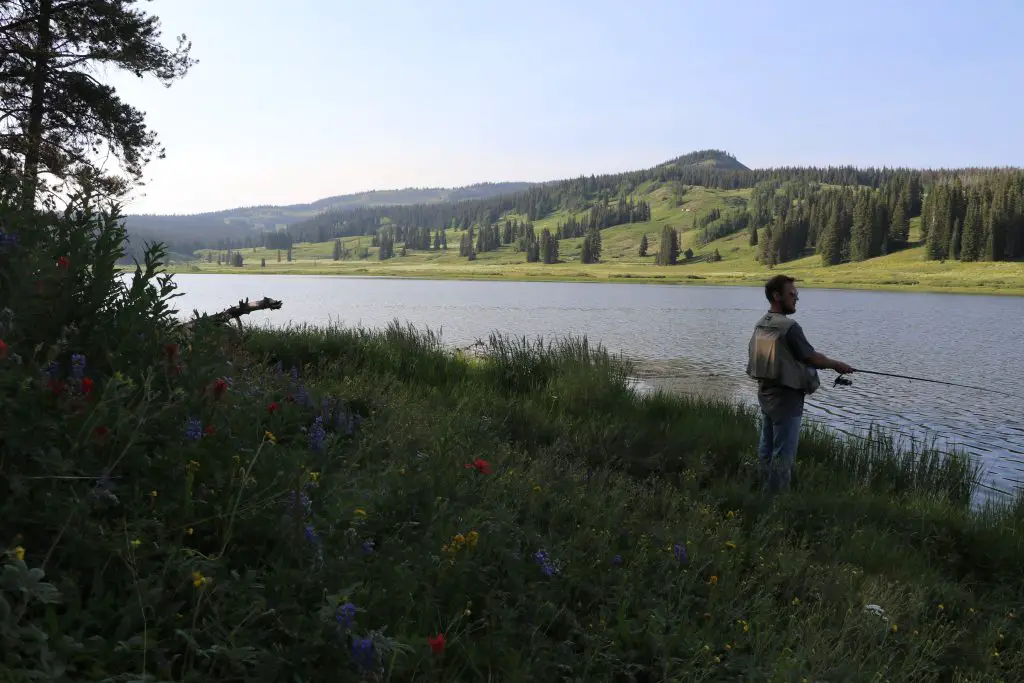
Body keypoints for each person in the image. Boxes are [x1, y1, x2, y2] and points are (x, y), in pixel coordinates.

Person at [746, 275, 854, 493]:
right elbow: (812, 359)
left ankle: (763, 495)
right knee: (783, 455)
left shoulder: (762, 323)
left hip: (766, 394)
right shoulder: (789, 327)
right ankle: (777, 504)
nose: (796, 298)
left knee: (766, 450)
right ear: (777, 296)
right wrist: (837, 365)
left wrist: (825, 360)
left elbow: (797, 356)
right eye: (792, 294)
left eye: (797, 294)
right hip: (787, 399)